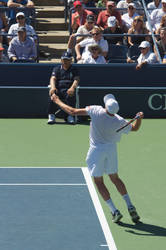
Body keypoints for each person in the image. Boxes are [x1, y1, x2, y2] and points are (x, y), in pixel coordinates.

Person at [51, 92, 144, 223]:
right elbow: (134, 129)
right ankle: (130, 205)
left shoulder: (95, 110)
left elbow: (72, 111)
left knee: (99, 182)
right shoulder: (119, 120)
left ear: (106, 105)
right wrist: (139, 118)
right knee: (115, 178)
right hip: (111, 151)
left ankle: (114, 211)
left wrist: (57, 101)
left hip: (96, 152)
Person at [47, 52, 80, 125]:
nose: (65, 61)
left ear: (71, 60)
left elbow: (76, 79)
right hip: (58, 89)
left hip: (68, 89)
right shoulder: (56, 68)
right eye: (64, 60)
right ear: (61, 60)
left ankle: (70, 115)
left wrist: (72, 88)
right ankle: (51, 115)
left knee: (71, 95)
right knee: (53, 94)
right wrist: (53, 87)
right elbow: (53, 78)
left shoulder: (74, 69)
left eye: (67, 60)